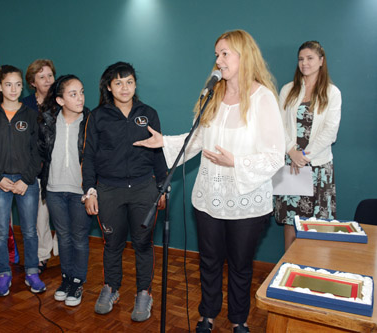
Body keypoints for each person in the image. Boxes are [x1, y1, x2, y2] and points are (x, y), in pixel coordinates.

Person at [134, 30, 285, 332]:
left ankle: (239, 319)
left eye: (224, 53)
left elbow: (275, 155)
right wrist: (164, 142)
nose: (218, 60)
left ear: (244, 56)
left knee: (241, 266)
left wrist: (236, 162)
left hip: (247, 200)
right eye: (217, 54)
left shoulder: (263, 97)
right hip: (209, 196)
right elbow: (198, 139)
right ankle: (207, 315)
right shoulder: (212, 93)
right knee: (209, 262)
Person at [82, 61, 167, 322]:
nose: (124, 87)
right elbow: (89, 157)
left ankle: (144, 293)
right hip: (109, 190)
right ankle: (111, 288)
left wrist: (162, 187)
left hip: (144, 188)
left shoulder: (148, 113)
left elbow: (158, 151)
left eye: (129, 81)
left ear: (135, 84)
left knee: (143, 243)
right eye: (118, 82)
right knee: (112, 244)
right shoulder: (97, 116)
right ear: (109, 86)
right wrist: (90, 191)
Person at [274, 41, 341, 251]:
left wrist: (304, 156)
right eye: (301, 59)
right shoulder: (288, 90)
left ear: (321, 61)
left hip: (319, 166)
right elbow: (278, 125)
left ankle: (314, 273)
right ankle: (289, 272)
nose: (305, 63)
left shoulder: (332, 93)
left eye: (310, 58)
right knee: (291, 223)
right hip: (290, 165)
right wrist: (292, 152)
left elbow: (330, 131)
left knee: (318, 226)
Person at [0, 65, 46, 297]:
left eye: (18, 84)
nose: (14, 89)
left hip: (27, 182)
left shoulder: (32, 116)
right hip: (0, 182)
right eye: (9, 84)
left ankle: (32, 271)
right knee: (1, 231)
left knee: (30, 231)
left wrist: (26, 179)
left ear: (23, 87)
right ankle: (4, 273)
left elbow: (38, 152)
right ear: (0, 86)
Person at [37, 75, 92, 306]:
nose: (80, 98)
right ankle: (66, 279)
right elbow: (40, 153)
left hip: (80, 191)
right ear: (60, 100)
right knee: (64, 237)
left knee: (79, 238)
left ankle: (78, 281)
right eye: (73, 94)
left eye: (81, 92)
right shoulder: (48, 121)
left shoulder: (91, 121)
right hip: (54, 190)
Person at [21, 59, 58, 273]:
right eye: (41, 77)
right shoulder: (25, 105)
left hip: (61, 167)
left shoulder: (62, 101)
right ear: (32, 82)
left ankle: (65, 252)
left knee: (63, 215)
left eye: (50, 75)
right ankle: (42, 255)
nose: (47, 80)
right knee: (40, 215)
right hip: (36, 167)